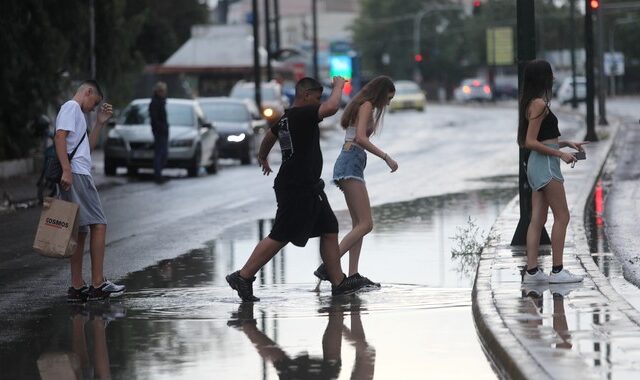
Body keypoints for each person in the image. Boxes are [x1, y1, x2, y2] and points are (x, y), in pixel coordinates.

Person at [225, 76, 369, 302]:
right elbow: (331, 107)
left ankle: (339, 282)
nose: (319, 101)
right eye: (316, 97)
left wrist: (262, 156)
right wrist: (339, 86)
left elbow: (270, 135)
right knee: (281, 234)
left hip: (309, 186)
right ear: (305, 95)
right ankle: (243, 276)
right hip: (296, 186)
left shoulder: (287, 118)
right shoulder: (302, 114)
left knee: (329, 228)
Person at [313, 76, 398, 287]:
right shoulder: (367, 105)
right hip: (350, 164)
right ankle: (328, 265)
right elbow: (360, 138)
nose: (388, 103)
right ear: (380, 93)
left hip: (352, 163)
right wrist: (386, 157)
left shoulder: (363, 104)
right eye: (388, 98)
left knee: (358, 225)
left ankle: (352, 274)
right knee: (366, 224)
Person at [55, 80, 125, 302]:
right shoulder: (71, 107)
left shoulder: (78, 114)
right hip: (77, 175)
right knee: (99, 223)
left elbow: (87, 148)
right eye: (94, 103)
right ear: (87, 92)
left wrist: (99, 124)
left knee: (81, 230)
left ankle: (77, 286)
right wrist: (66, 170)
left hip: (78, 172)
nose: (93, 108)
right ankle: (98, 283)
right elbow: (59, 137)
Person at [517, 59, 586, 284]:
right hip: (546, 164)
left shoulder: (532, 102)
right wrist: (560, 155)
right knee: (562, 216)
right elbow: (529, 141)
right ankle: (557, 271)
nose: (554, 78)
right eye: (550, 74)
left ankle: (532, 272)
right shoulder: (538, 104)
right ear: (542, 78)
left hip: (539, 163)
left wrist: (566, 143)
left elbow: (545, 138)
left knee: (538, 218)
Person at [149, 81, 169, 183]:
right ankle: (158, 175)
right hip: (159, 131)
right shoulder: (155, 102)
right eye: (161, 91)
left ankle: (159, 173)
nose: (163, 93)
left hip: (162, 131)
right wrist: (161, 128)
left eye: (163, 91)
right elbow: (155, 119)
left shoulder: (161, 101)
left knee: (163, 153)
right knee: (160, 153)